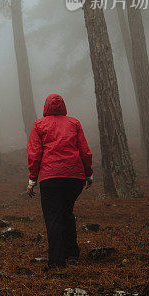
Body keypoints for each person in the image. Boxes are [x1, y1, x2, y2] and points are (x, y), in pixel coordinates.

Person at [26, 93, 93, 268]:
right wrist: (88, 174)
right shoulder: (74, 123)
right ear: (63, 106)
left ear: (46, 107)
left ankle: (56, 261)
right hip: (74, 178)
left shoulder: (39, 125)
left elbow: (34, 154)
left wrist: (32, 180)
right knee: (66, 213)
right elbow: (85, 151)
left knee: (53, 217)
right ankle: (72, 254)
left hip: (50, 178)